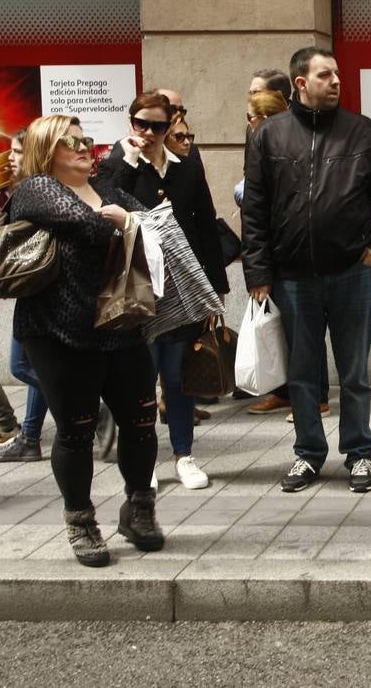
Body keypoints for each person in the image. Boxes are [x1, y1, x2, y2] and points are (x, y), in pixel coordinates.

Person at [7, 114, 161, 566]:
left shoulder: (108, 191)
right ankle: (81, 521)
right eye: (69, 141)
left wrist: (125, 218)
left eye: (85, 139)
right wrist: (122, 221)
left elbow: (154, 225)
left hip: (121, 326)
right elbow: (91, 227)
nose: (82, 146)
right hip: (59, 332)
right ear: (46, 151)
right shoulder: (36, 190)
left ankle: (139, 510)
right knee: (75, 432)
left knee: (141, 424)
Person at [242, 46, 371, 493]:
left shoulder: (363, 132)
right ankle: (308, 454)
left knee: (354, 373)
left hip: (352, 271)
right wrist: (258, 272)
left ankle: (359, 453)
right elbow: (255, 210)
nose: (336, 81)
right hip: (291, 277)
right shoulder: (268, 136)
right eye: (325, 75)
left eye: (337, 74)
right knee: (303, 373)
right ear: (301, 84)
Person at [97, 93, 228, 490]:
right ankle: (143, 458)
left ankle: (184, 456)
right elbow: (103, 201)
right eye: (141, 123)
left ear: (170, 125)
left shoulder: (185, 169)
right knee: (141, 378)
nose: (148, 133)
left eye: (157, 125)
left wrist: (215, 293)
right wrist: (128, 160)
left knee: (178, 376)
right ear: (131, 123)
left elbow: (206, 228)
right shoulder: (119, 165)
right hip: (138, 288)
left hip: (182, 288)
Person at [236, 88, 331, 416]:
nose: (248, 123)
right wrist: (258, 270)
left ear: (263, 118)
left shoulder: (290, 145)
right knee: (285, 329)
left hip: (296, 255)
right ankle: (288, 392)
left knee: (306, 332)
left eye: (250, 117)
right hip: (275, 255)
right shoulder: (260, 144)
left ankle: (315, 396)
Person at [0, 130, 48, 463]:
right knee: (29, 365)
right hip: (26, 292)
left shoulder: (36, 192)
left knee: (22, 365)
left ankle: (96, 407)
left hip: (38, 293)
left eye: (16, 152)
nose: (9, 157)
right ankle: (28, 436)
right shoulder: (17, 190)